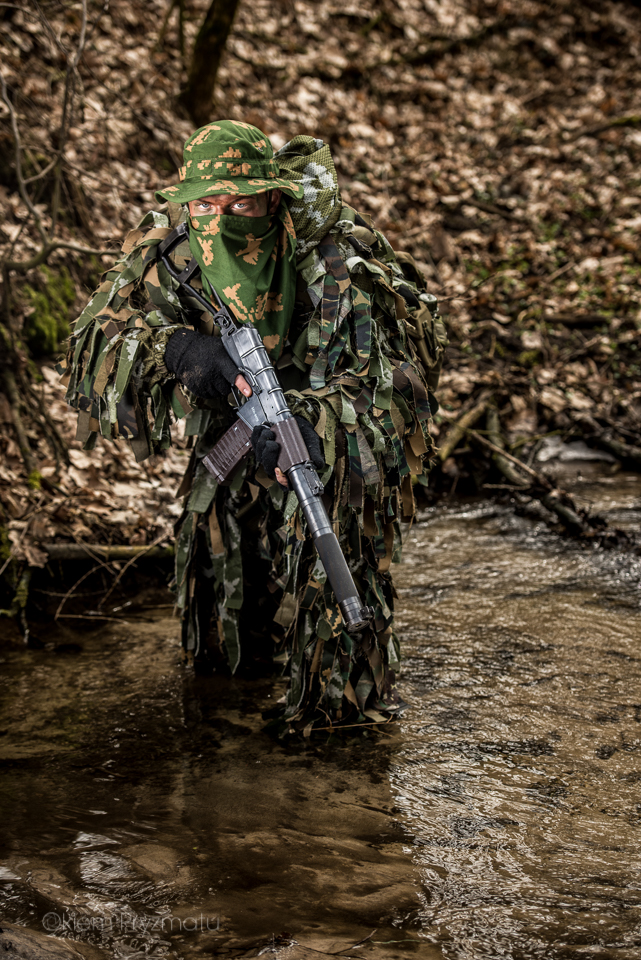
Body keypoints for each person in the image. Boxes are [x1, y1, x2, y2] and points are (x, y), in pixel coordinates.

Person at [60, 120, 447, 733]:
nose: (224, 216)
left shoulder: (336, 253)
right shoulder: (176, 243)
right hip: (230, 436)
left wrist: (317, 426)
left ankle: (338, 745)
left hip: (328, 447)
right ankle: (223, 727)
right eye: (209, 203)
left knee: (339, 592)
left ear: (274, 195)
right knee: (216, 600)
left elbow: (399, 383)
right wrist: (180, 352)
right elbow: (92, 342)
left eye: (240, 202)